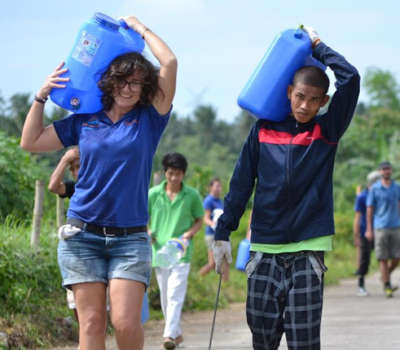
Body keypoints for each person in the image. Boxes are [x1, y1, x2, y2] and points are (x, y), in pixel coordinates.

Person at [20, 15, 177, 350]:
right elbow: (30, 142)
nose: (128, 88)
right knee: (91, 324)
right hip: (81, 236)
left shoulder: (150, 119)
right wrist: (40, 97)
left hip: (129, 239)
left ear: (145, 88)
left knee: (124, 323)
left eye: (136, 83)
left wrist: (140, 29)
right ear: (108, 81)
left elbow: (170, 61)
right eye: (121, 80)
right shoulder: (85, 119)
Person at [212, 26, 360, 350]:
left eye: (313, 100)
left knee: (303, 342)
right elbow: (241, 183)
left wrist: (318, 45)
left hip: (308, 249)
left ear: (324, 102)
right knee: (262, 339)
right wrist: (223, 231)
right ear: (289, 92)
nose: (305, 106)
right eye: (299, 97)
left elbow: (350, 77)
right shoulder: (262, 130)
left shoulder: (326, 131)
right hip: (265, 247)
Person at [148, 153, 204, 350]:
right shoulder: (153, 194)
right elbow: (141, 216)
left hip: (181, 252)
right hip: (160, 252)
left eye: (178, 174)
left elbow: (199, 220)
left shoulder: (192, 195)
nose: (174, 178)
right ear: (165, 173)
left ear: (183, 174)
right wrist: (148, 231)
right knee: (165, 297)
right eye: (170, 173)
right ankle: (176, 333)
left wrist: (189, 234)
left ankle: (168, 335)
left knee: (175, 295)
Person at [48, 147, 80, 322]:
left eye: (81, 166)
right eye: (74, 168)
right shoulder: (73, 188)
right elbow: (53, 186)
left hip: (102, 247)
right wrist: (65, 160)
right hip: (76, 252)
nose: (78, 171)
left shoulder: (104, 187)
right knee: (78, 308)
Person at [366, 161, 400, 298]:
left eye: (388, 169)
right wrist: (369, 229)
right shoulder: (375, 189)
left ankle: (384, 276)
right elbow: (369, 210)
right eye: (384, 169)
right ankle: (387, 286)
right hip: (380, 227)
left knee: (397, 257)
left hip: (396, 226)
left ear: (391, 171)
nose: (386, 171)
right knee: (383, 258)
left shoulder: (396, 187)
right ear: (380, 172)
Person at [353, 170, 380, 296]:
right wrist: (356, 234)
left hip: (380, 229)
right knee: (365, 259)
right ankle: (361, 285)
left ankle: (387, 281)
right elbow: (357, 217)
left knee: (386, 256)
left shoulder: (380, 194)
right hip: (365, 232)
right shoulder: (362, 196)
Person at [199, 177, 229, 281]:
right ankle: (198, 278)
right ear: (210, 188)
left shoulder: (221, 201)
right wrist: (214, 225)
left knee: (226, 260)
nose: (218, 188)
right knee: (212, 263)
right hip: (212, 235)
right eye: (216, 186)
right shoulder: (208, 201)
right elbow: (205, 219)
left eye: (220, 186)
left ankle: (226, 285)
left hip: (222, 235)